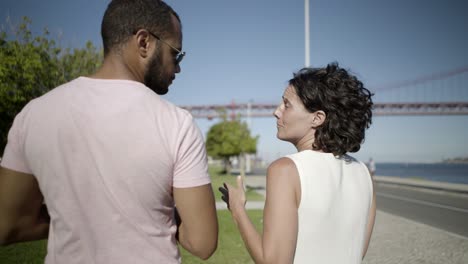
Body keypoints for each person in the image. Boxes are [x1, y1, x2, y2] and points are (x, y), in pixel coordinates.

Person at [0, 0, 218, 263]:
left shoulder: (33, 114)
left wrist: (72, 216)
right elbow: (203, 242)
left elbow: (8, 225)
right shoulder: (177, 124)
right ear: (144, 42)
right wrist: (157, 215)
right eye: (176, 54)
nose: (179, 67)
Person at [220, 63, 376, 263]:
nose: (276, 112)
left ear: (317, 118)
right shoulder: (364, 174)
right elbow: (354, 253)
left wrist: (238, 210)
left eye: (287, 105)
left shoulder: (286, 170)